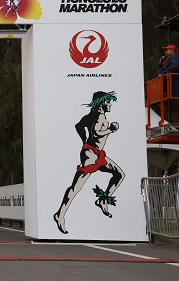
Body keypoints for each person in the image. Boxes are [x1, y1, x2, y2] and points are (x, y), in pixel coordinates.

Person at [53, 91, 125, 234]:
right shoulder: (99, 116)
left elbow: (78, 126)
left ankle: (103, 200)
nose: (110, 105)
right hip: (91, 155)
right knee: (76, 187)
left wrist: (84, 140)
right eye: (108, 102)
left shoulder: (90, 116)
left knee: (119, 174)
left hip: (96, 154)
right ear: (101, 103)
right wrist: (110, 129)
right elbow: (96, 132)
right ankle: (60, 214)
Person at [159, 44, 179, 123]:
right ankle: (176, 124)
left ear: (172, 50)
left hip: (176, 85)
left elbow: (174, 66)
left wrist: (163, 74)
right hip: (174, 85)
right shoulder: (173, 58)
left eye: (167, 50)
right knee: (175, 107)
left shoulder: (175, 57)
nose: (165, 52)